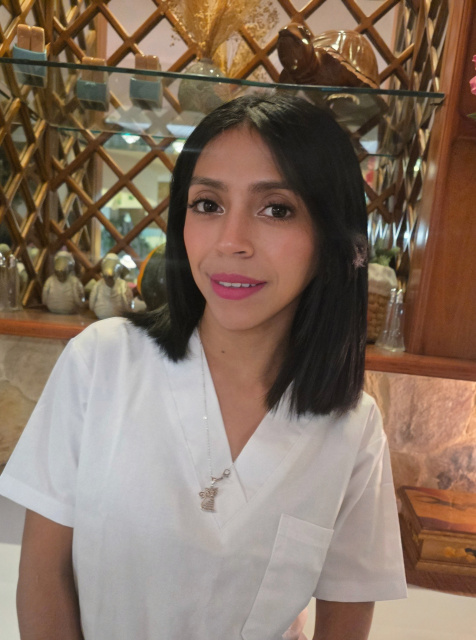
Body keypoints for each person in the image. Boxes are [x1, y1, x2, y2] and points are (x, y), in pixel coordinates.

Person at [0, 94, 406, 640]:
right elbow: (42, 575)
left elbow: (347, 616)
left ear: (332, 238)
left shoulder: (352, 428)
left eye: (277, 209)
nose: (231, 242)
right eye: (208, 204)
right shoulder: (101, 363)